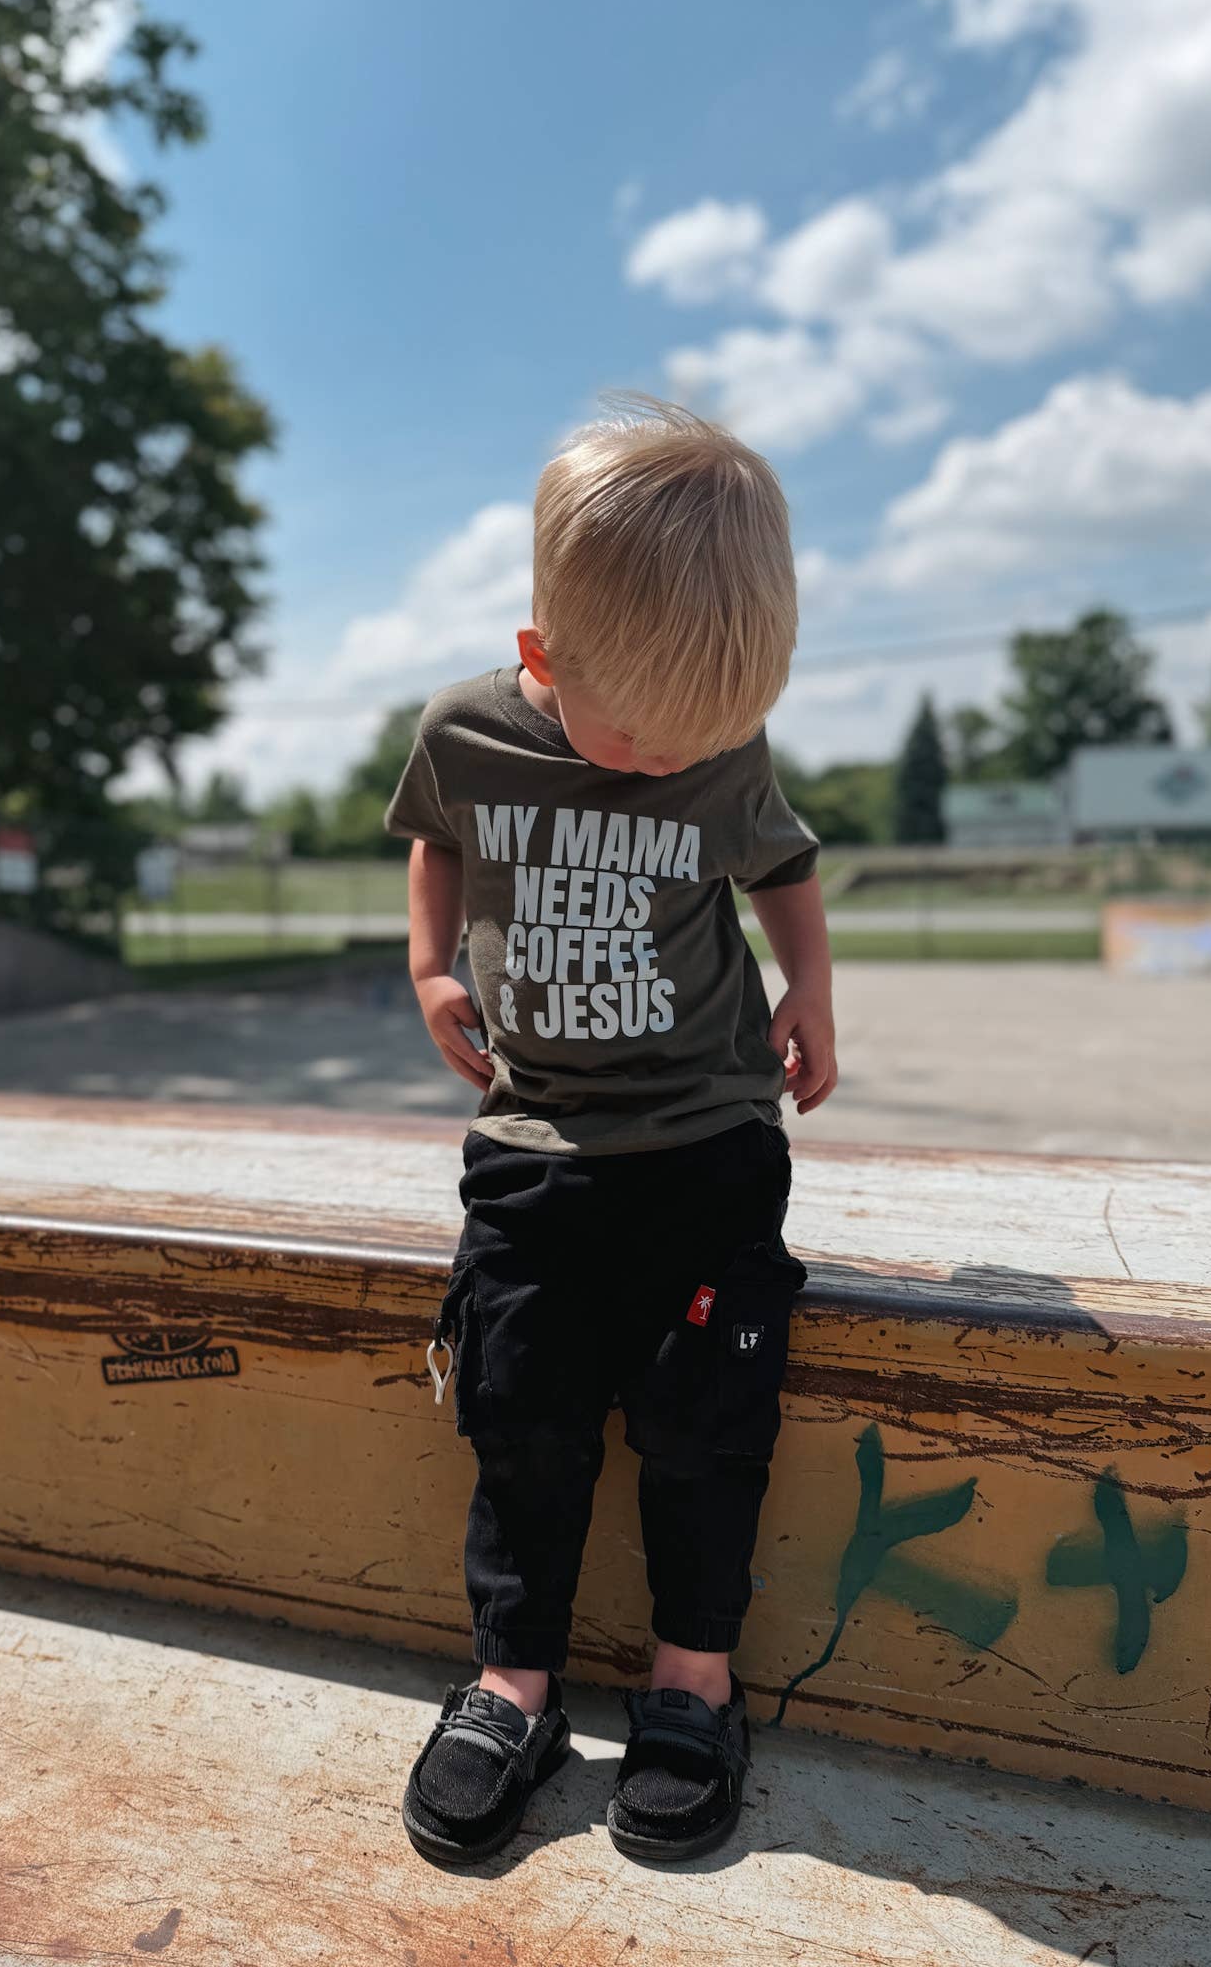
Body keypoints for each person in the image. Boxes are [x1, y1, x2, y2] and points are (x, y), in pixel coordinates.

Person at [384, 395, 836, 1866]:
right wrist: (433, 965)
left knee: (707, 1418)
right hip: (535, 1145)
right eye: (636, 736)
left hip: (707, 1137)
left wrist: (811, 983)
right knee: (522, 1411)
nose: (666, 764)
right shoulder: (464, 732)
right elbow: (435, 838)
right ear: (539, 660)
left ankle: (691, 1683)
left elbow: (780, 865)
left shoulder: (711, 740)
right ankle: (513, 1680)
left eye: (697, 743)